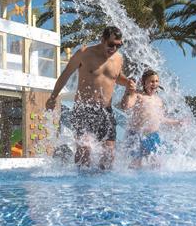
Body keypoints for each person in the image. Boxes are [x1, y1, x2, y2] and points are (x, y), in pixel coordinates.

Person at [46, 26, 135, 170]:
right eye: (111, 44)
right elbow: (65, 75)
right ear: (102, 40)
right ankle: (81, 182)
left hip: (106, 111)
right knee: (85, 149)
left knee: (109, 154)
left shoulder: (118, 58)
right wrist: (53, 97)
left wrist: (127, 82)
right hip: (83, 109)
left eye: (118, 45)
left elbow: (116, 77)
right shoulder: (84, 53)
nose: (114, 49)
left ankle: (104, 183)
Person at [120, 69, 185, 169]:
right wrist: (128, 92)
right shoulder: (138, 95)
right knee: (136, 163)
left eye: (156, 81)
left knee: (157, 164)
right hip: (136, 134)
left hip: (153, 136)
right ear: (143, 82)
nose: (154, 84)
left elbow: (161, 119)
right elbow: (126, 106)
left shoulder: (159, 100)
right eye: (151, 81)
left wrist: (177, 122)